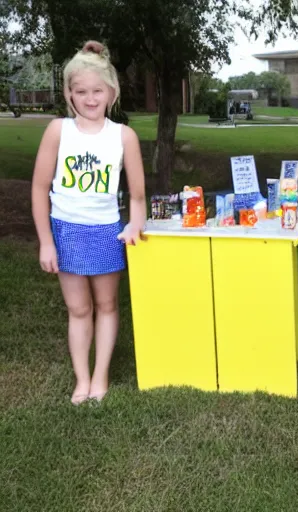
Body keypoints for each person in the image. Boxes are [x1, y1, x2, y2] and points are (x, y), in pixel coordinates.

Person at [31, 41, 146, 405]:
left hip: (106, 232)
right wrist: (47, 242)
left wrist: (134, 224)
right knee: (79, 310)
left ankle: (101, 376)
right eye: (81, 91)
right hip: (66, 231)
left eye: (98, 91)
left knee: (107, 305)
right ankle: (82, 379)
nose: (90, 98)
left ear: (112, 92)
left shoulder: (123, 136)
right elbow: (38, 188)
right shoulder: (58, 131)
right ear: (69, 93)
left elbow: (139, 197)